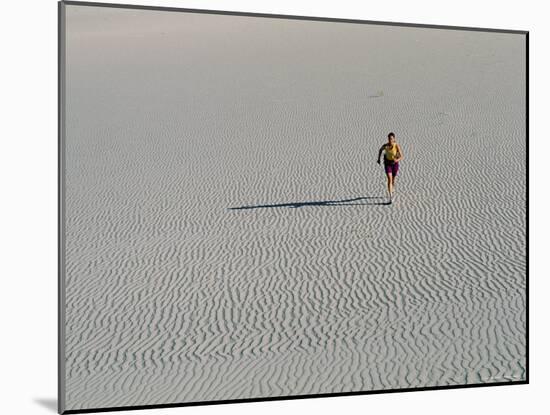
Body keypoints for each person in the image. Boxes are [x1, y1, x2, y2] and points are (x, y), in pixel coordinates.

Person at [377, 132, 403, 201]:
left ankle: (392, 187)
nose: (390, 140)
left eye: (391, 139)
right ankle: (390, 196)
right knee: (389, 179)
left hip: (394, 164)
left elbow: (401, 156)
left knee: (393, 179)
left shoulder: (396, 145)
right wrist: (379, 159)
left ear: (394, 139)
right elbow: (380, 150)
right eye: (389, 138)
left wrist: (397, 160)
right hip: (387, 164)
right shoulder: (385, 146)